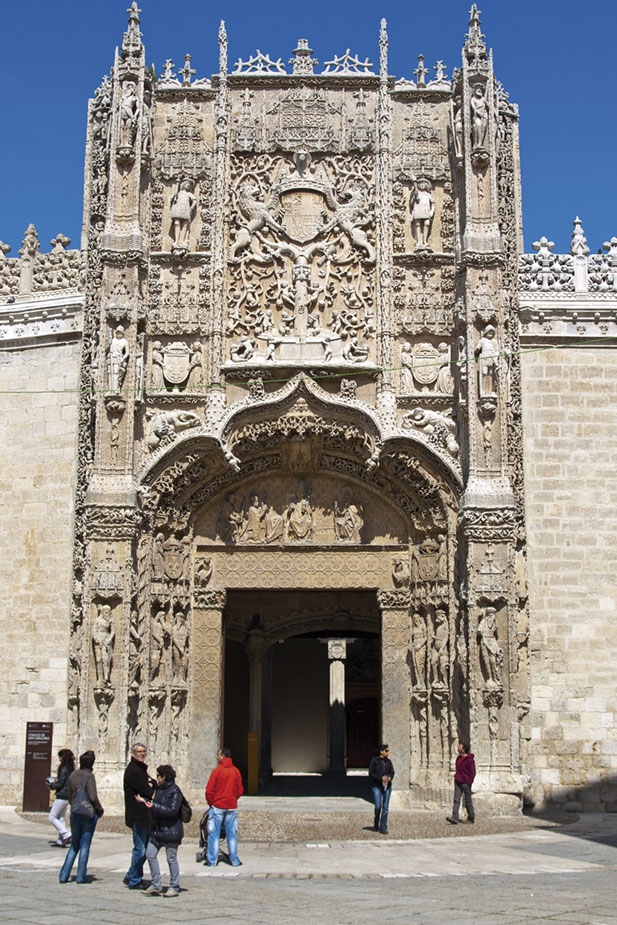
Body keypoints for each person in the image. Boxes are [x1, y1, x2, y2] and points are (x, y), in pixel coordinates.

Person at [138, 765, 184, 897]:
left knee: (171, 859)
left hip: (171, 830)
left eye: (158, 776)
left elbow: (173, 811)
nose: (157, 778)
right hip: (158, 830)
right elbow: (156, 805)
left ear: (164, 777)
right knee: (150, 854)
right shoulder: (160, 790)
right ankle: (156, 884)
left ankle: (174, 886)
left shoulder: (175, 791)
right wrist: (145, 801)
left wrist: (154, 806)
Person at [59, 750, 104, 884]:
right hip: (87, 813)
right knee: (84, 846)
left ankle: (63, 875)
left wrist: (74, 805)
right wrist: (99, 810)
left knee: (74, 845)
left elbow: (69, 794)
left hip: (75, 812)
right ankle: (80, 876)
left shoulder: (73, 775)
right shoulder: (89, 776)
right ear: (92, 763)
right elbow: (92, 796)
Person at [123, 743, 156, 889]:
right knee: (141, 849)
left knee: (144, 847)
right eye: (139, 752)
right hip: (138, 814)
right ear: (132, 754)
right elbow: (148, 791)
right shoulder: (134, 771)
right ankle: (135, 879)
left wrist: (151, 784)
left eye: (144, 751)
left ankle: (131, 875)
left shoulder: (140, 769)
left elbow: (153, 783)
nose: (142, 754)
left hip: (144, 813)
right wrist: (150, 786)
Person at [205, 747, 243, 867]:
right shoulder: (236, 771)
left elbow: (209, 790)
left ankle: (212, 861)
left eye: (218, 755)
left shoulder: (217, 771)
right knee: (231, 834)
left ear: (222, 756)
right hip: (231, 807)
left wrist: (212, 803)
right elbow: (240, 790)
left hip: (218, 806)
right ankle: (234, 860)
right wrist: (232, 799)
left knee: (213, 834)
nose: (217, 757)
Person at [47, 748, 75, 847]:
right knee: (61, 818)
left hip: (62, 796)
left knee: (52, 817)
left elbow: (61, 783)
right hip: (67, 796)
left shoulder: (64, 769)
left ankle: (66, 834)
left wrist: (51, 786)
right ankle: (61, 840)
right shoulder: (70, 768)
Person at [447, 742, 476, 825]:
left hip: (465, 783)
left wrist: (468, 782)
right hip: (458, 782)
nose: (458, 747)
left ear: (463, 749)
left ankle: (471, 818)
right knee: (456, 799)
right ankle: (455, 817)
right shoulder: (458, 758)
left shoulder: (469, 760)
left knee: (468, 801)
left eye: (460, 746)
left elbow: (473, 772)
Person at [368, 744, 394, 834]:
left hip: (387, 786)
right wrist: (380, 778)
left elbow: (392, 772)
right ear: (381, 751)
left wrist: (390, 777)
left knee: (385, 807)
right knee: (378, 806)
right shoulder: (374, 761)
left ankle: (383, 826)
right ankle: (376, 821)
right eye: (386, 751)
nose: (388, 753)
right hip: (377, 786)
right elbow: (371, 774)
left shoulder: (388, 762)